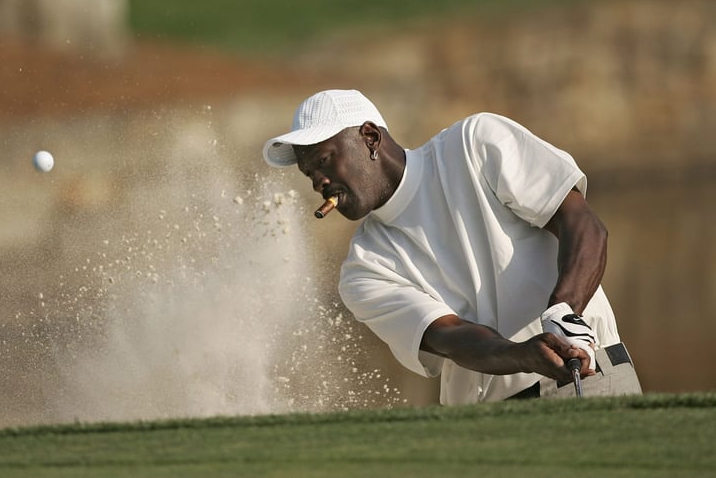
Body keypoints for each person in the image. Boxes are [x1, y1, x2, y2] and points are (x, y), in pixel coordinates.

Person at [263, 89, 642, 403]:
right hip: (490, 421)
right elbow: (449, 336)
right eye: (310, 173)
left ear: (370, 138)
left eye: (325, 161)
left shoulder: (475, 143)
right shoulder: (363, 269)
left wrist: (565, 311)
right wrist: (522, 354)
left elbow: (583, 225)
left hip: (593, 376)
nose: (319, 182)